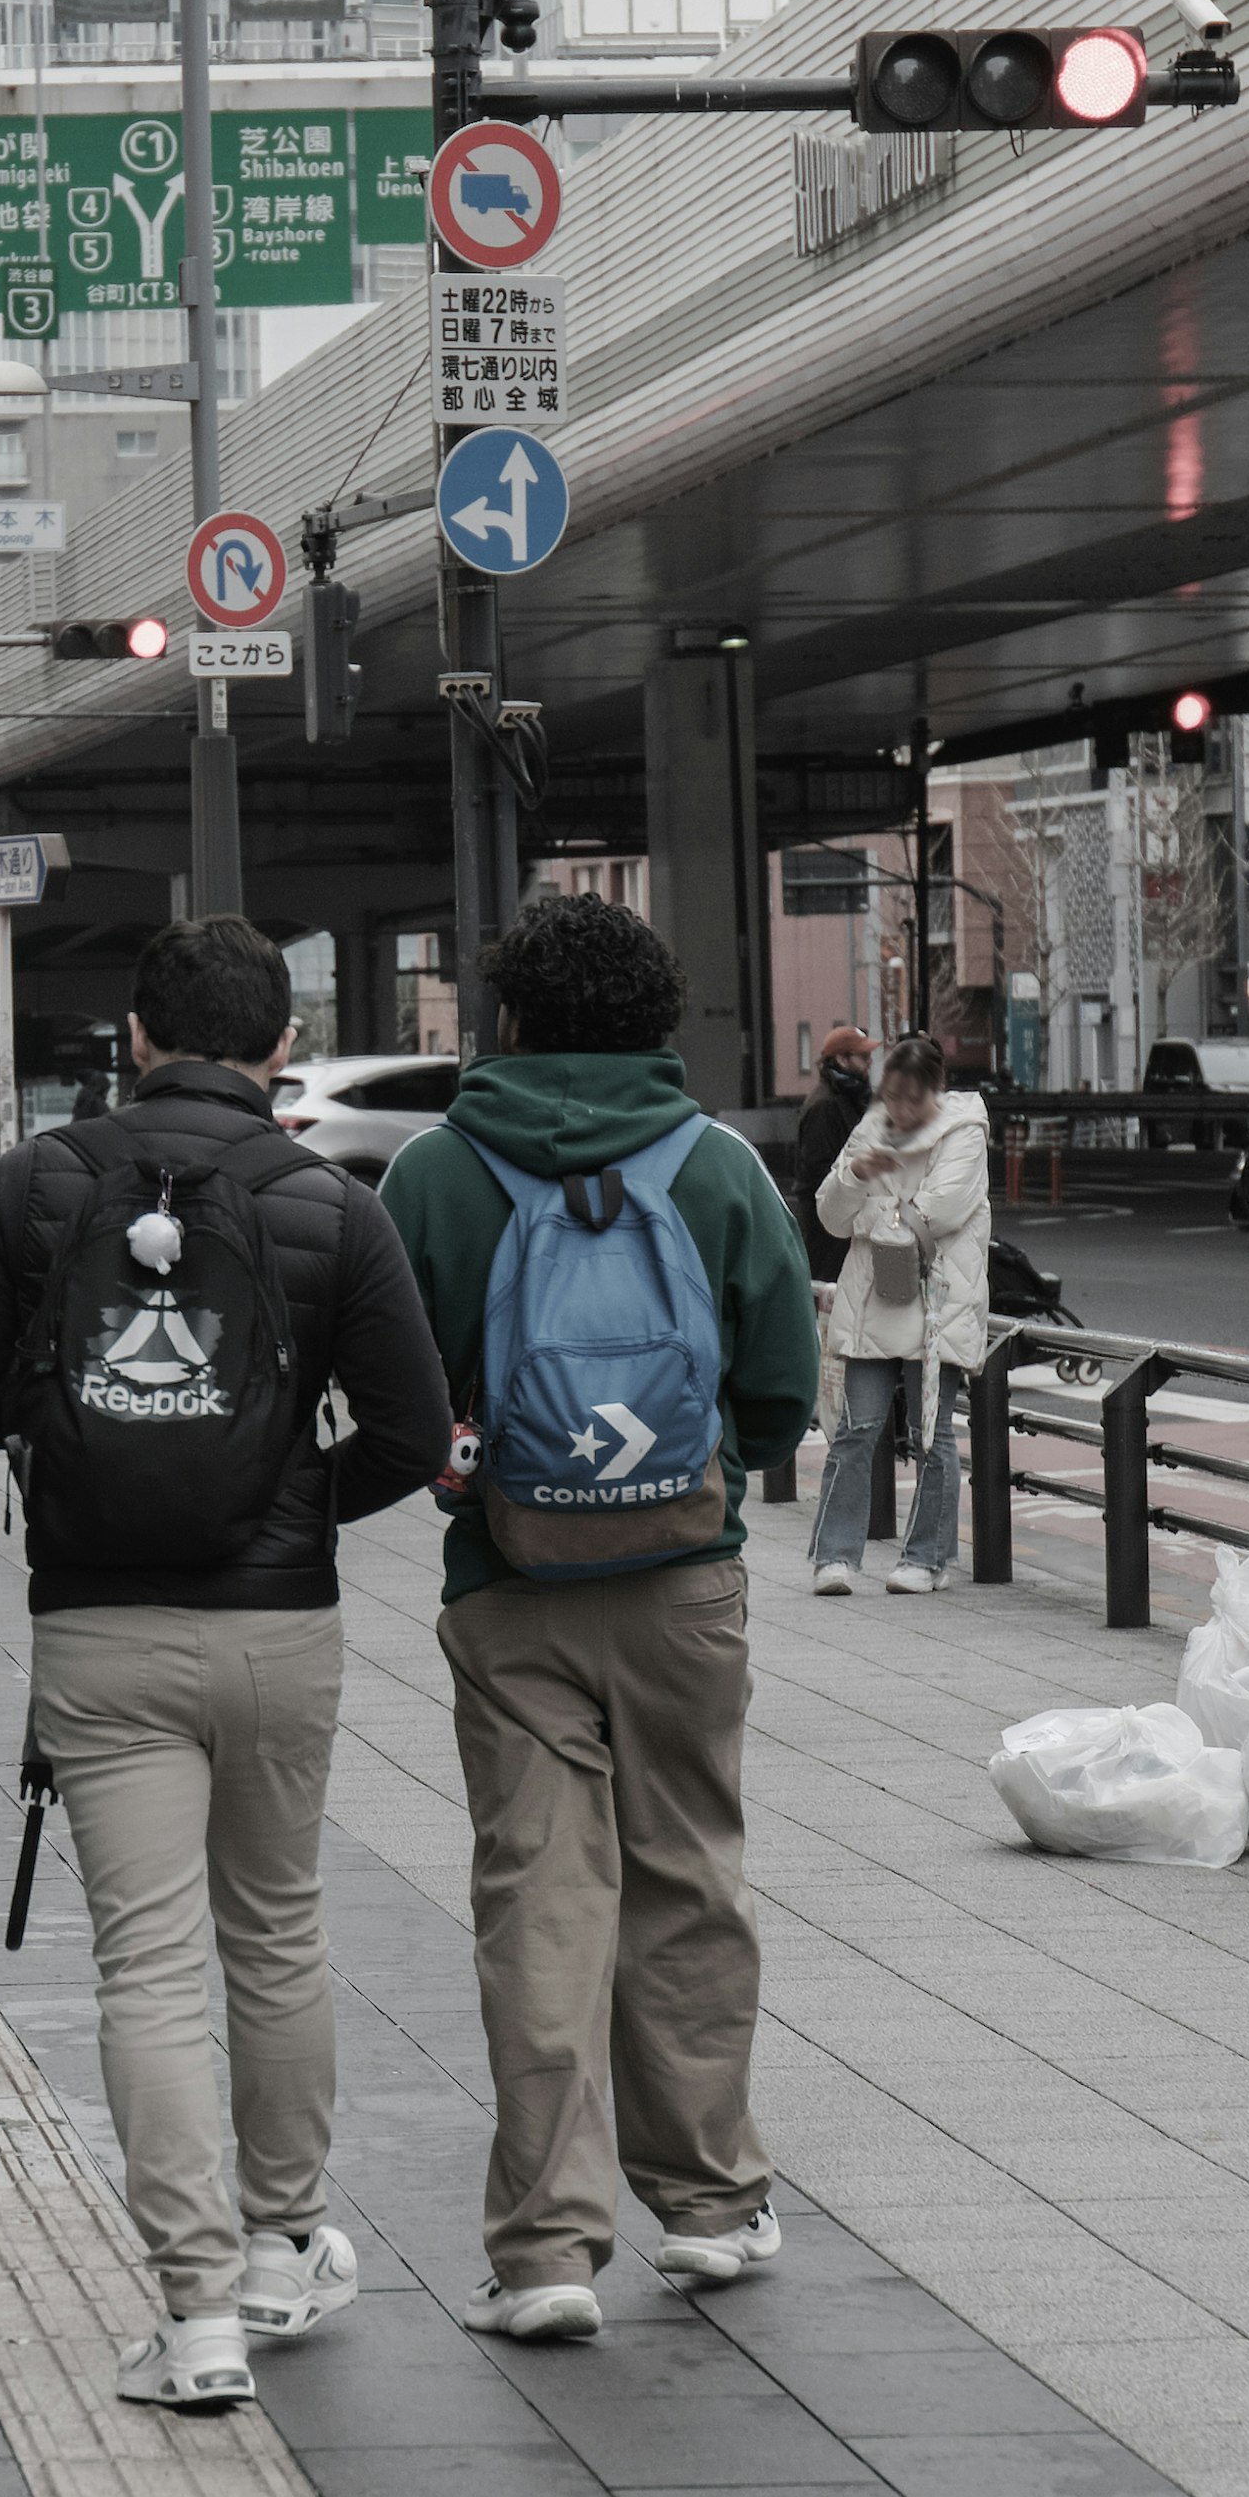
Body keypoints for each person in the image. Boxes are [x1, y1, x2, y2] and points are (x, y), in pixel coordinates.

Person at [0, 918, 453, 2412]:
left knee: (145, 1961)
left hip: (98, 1625)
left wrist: (67, 1436)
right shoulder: (333, 1203)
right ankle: (286, 2248)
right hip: (281, 1627)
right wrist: (290, 1508)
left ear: (134, 1036)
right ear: (279, 1051)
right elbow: (413, 1431)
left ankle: (198, 2317)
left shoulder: (36, 1185)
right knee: (275, 1931)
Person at [376, 893, 819, 2341]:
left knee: (539, 1902)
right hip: (687, 1579)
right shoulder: (719, 1167)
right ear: (653, 1023)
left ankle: (548, 2251)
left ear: (506, 1021)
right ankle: (706, 2206)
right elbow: (778, 1388)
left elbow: (397, 1394)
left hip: (509, 1588)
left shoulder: (438, 1173)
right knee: (690, 1874)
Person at [809, 1034, 991, 1596]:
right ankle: (834, 1557)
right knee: (854, 1428)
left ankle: (927, 1557)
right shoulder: (870, 1128)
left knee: (930, 1434)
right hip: (873, 1297)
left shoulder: (964, 1131)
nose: (902, 1109)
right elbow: (830, 1215)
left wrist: (876, 1214)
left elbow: (941, 1209)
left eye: (913, 1098)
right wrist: (855, 1175)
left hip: (938, 1300)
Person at [790, 1025, 877, 1281]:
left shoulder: (849, 1098)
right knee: (830, 1292)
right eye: (862, 1056)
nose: (869, 1062)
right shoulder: (825, 1105)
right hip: (827, 1222)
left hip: (841, 1215)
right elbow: (818, 1168)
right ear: (841, 1059)